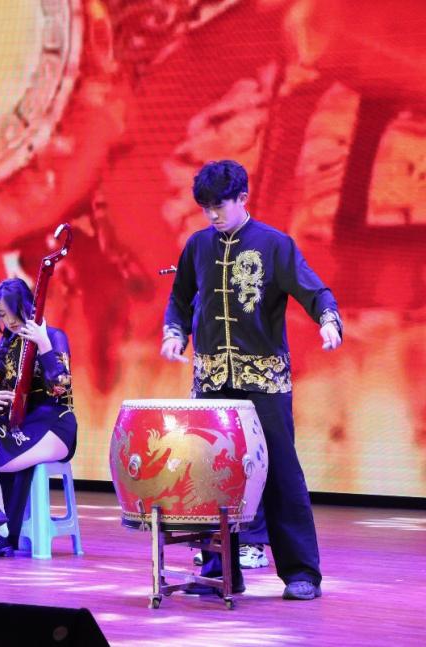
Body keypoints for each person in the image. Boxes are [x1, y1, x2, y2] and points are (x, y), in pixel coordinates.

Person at [161, 160, 342, 600]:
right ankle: (221, 572)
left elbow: (314, 290)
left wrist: (328, 320)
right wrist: (174, 333)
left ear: (243, 197)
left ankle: (301, 573)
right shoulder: (197, 245)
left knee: (280, 472)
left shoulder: (274, 244)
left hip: (264, 381)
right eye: (205, 207)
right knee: (209, 474)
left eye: (219, 206)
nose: (212, 215)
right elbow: (180, 299)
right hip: (212, 379)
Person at [0, 278, 77, 557]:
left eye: (12, 312)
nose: (8, 321)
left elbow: (61, 388)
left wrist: (43, 345)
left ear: (27, 307)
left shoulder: (54, 337)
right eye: (1, 315)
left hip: (54, 424)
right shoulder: (5, 346)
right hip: (19, 425)